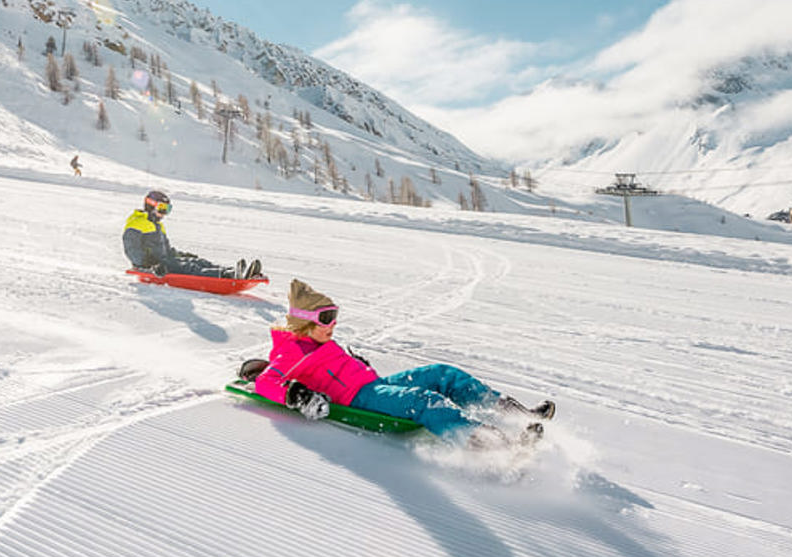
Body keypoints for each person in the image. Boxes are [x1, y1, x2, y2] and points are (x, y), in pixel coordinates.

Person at [247, 279, 554, 448]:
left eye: (335, 315)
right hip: (361, 398)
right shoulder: (290, 352)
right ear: (304, 321)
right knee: (426, 401)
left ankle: (516, 413)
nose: (333, 323)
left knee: (442, 374)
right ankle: (496, 445)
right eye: (326, 318)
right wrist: (298, 395)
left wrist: (354, 364)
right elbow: (265, 382)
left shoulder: (320, 340)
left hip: (374, 384)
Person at [123, 189, 260, 279]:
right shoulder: (136, 223)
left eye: (167, 209)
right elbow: (131, 250)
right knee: (190, 267)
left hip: (165, 261)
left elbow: (165, 250)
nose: (164, 214)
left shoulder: (157, 225)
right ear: (150, 206)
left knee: (197, 262)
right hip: (156, 267)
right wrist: (149, 266)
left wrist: (180, 254)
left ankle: (233, 271)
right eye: (162, 209)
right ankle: (227, 276)